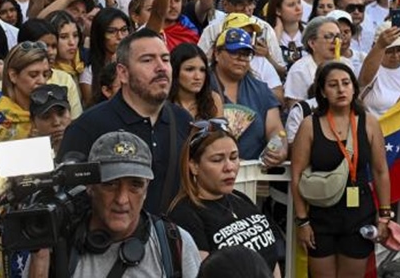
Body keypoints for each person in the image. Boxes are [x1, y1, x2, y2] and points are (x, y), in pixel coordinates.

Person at [59, 28, 193, 216]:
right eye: (147, 60)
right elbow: (70, 198)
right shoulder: (88, 127)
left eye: (165, 59)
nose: (161, 67)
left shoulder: (183, 120)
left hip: (169, 239)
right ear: (122, 73)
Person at [290, 61, 391, 278]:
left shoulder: (369, 122)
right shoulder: (310, 124)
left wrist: (384, 215)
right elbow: (296, 175)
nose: (341, 89)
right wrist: (302, 221)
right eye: (333, 85)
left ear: (354, 88)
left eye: (346, 83)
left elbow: (381, 171)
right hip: (321, 213)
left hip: (359, 213)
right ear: (323, 92)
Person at [63, 131, 201, 278]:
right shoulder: (62, 247)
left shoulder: (175, 244)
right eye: (111, 184)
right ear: (90, 186)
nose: (122, 199)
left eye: (135, 185)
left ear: (147, 189)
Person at [167, 123, 282, 275]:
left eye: (234, 157)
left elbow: (271, 259)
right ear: (194, 166)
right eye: (217, 160)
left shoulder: (240, 198)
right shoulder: (184, 215)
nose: (229, 167)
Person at [208, 28, 285, 162]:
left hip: (253, 173)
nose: (241, 58)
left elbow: (276, 129)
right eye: (234, 52)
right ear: (216, 54)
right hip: (211, 170)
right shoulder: (202, 85)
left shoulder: (261, 90)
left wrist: (279, 149)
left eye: (246, 53)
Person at [0, 42, 50, 143]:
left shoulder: (52, 108)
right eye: (33, 75)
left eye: (46, 75)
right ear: (13, 76)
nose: (42, 81)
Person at [168, 43, 222, 120]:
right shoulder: (161, 100)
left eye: (202, 70)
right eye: (189, 69)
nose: (198, 77)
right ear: (175, 71)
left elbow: (219, 131)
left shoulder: (213, 99)